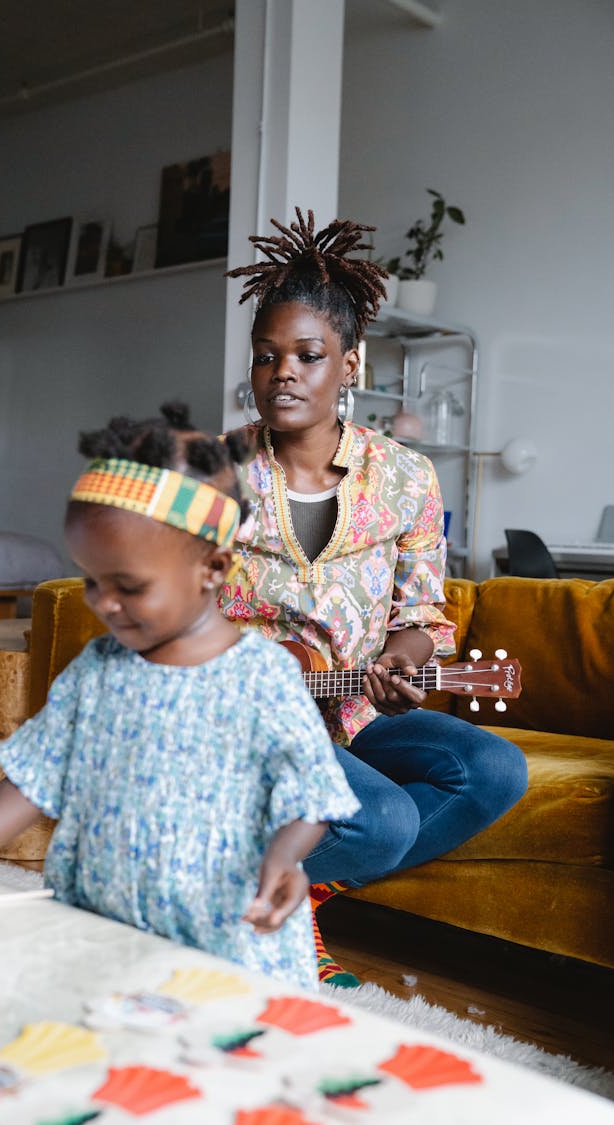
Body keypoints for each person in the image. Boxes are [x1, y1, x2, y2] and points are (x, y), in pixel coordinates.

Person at [0, 403, 360, 992]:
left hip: (224, 941)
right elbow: (36, 777)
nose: (103, 603)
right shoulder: (97, 671)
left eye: (128, 586)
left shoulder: (262, 679)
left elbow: (310, 795)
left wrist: (285, 858)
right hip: (103, 924)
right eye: (91, 580)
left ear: (213, 567)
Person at [222, 208, 529, 983]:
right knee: (385, 817)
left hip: (351, 707)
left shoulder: (406, 477)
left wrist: (401, 658)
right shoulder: (216, 474)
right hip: (242, 717)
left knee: (494, 771)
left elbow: (424, 612)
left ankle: (290, 895)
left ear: (350, 366)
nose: (282, 372)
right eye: (267, 356)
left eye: (307, 354)